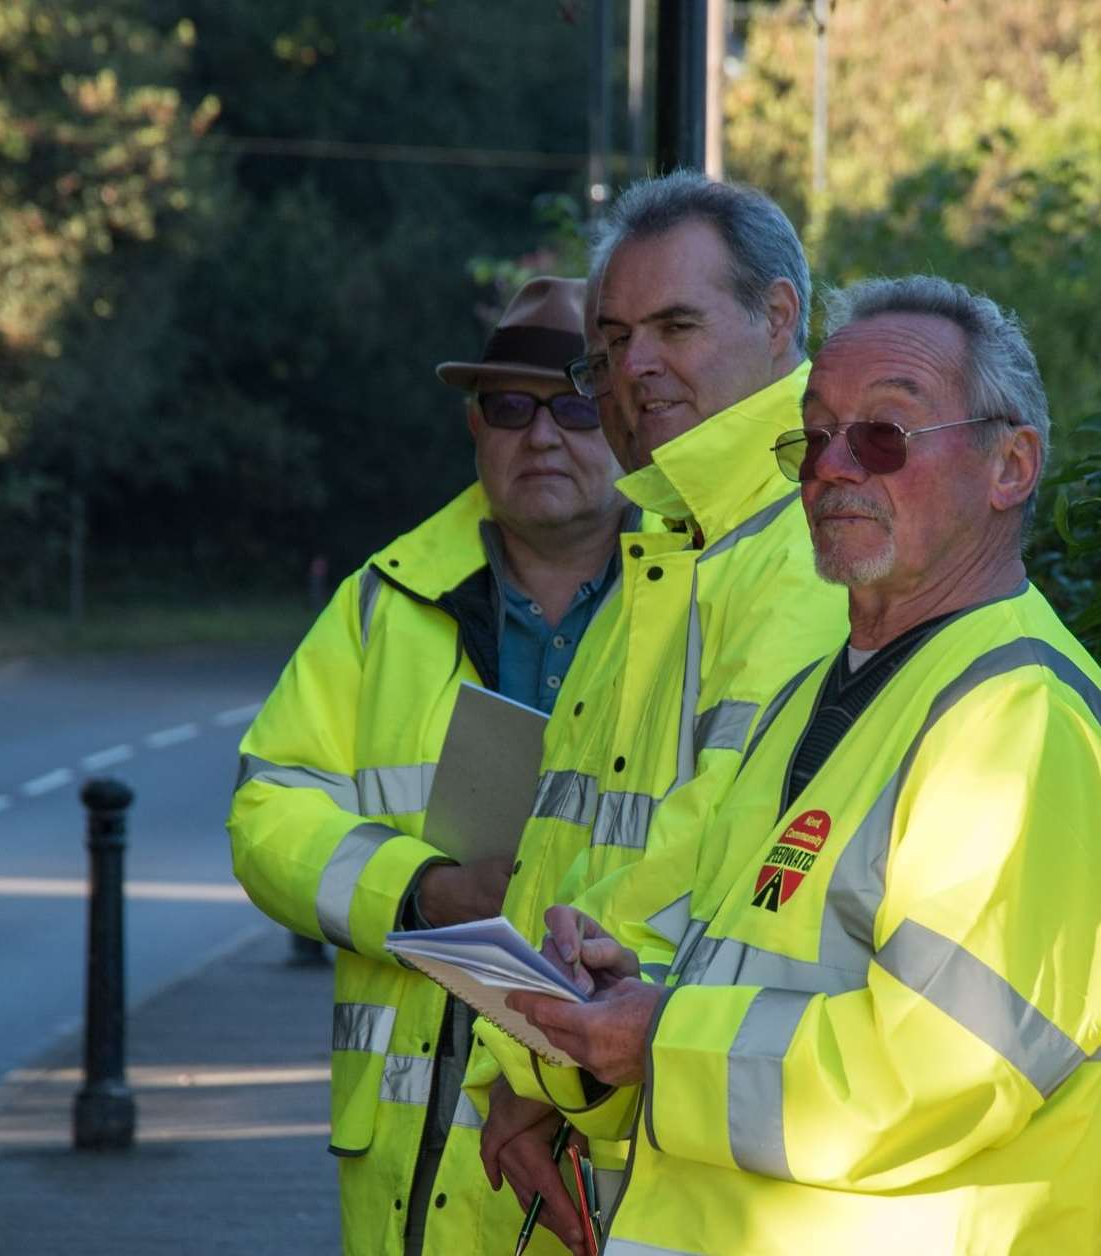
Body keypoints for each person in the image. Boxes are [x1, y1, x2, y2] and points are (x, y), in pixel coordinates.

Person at [511, 275, 1101, 1254]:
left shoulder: (1019, 717)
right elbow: (751, 970)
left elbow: (939, 1073)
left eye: (882, 434)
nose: (830, 467)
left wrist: (662, 1037)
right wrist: (619, 996)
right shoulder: (816, 697)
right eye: (811, 436)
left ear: (1011, 465)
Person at [471, 170, 851, 1256]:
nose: (634, 368)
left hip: (701, 1136)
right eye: (613, 339)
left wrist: (534, 1063)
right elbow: (577, 850)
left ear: (779, 318)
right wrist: (534, 1068)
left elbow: (713, 851)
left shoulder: (801, 539)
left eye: (675, 324)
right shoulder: (666, 540)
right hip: (631, 1117)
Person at [227, 275, 630, 1256]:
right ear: (472, 424)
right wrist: (422, 890)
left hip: (610, 1152)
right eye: (509, 406)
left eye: (576, 403)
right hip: (422, 1171)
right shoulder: (384, 600)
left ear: (625, 416)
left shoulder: (703, 603)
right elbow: (268, 812)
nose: (541, 434)